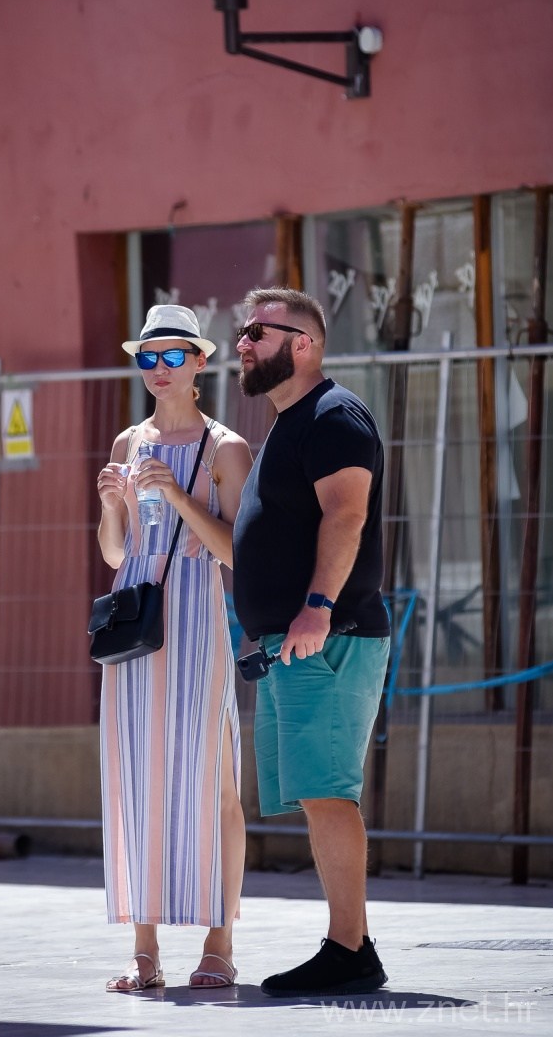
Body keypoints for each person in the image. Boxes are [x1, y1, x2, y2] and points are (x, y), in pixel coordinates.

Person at [232, 286, 391, 998]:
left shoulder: (332, 414)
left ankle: (349, 950)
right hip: (291, 644)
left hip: (328, 637)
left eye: (257, 332)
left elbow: (346, 514)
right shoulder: (288, 424)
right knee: (315, 793)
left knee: (328, 793)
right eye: (242, 332)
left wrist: (317, 607)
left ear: (304, 344)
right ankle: (348, 943)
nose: (242, 344)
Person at [96, 303, 253, 992]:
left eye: (171, 356)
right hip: (136, 621)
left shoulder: (225, 448)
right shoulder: (127, 442)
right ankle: (144, 950)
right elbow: (115, 554)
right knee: (135, 778)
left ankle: (219, 943)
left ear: (199, 362)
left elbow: (238, 553)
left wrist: (182, 500)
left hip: (194, 616)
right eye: (147, 357)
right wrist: (111, 506)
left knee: (214, 782)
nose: (158, 369)